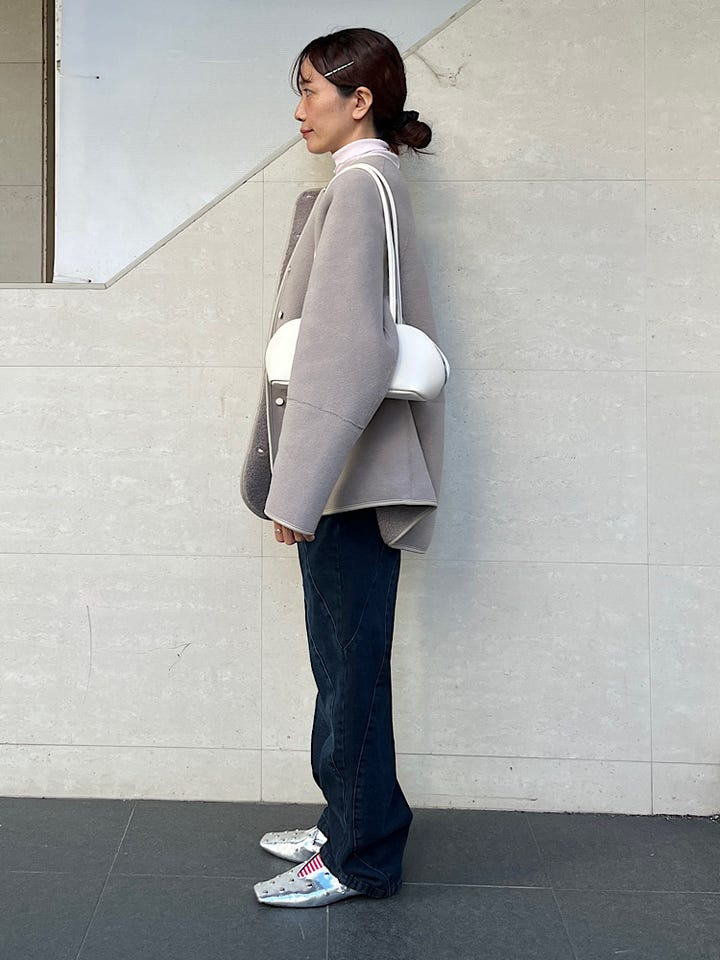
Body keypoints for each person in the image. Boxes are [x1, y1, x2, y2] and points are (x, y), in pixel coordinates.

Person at [240, 26, 446, 907]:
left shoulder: (361, 189)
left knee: (350, 669)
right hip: (355, 468)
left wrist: (301, 487)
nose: (299, 110)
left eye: (311, 90)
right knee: (344, 663)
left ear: (360, 101)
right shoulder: (371, 182)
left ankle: (360, 858)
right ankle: (351, 819)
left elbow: (349, 351)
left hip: (349, 475)